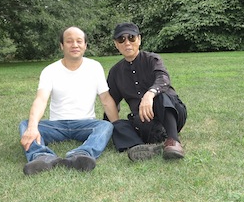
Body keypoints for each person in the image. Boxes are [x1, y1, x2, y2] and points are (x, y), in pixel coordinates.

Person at [19, 27, 119, 175]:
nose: (75, 45)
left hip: (85, 124)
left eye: (79, 41)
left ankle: (81, 155)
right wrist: (33, 127)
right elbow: (41, 100)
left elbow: (106, 99)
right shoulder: (50, 71)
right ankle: (42, 157)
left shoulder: (94, 67)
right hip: (56, 126)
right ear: (62, 45)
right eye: (69, 41)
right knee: (26, 124)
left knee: (105, 126)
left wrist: (118, 127)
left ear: (85, 45)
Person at [107, 22, 187, 161]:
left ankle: (173, 141)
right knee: (117, 124)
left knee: (161, 95)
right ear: (116, 44)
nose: (127, 43)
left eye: (131, 38)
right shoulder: (115, 72)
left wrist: (150, 94)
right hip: (145, 124)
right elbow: (111, 101)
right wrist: (107, 126)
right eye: (121, 39)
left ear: (139, 39)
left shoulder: (152, 59)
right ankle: (142, 148)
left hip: (170, 114)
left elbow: (163, 79)